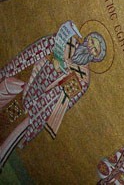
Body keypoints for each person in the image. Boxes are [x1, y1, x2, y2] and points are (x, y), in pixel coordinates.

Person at [0, 22, 106, 169]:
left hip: (35, 104)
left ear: (95, 57)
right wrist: (51, 59)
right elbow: (37, 50)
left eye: (95, 50)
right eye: (92, 42)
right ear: (87, 38)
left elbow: (60, 101)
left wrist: (58, 72)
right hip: (25, 81)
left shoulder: (83, 78)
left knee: (11, 132)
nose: (90, 48)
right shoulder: (66, 40)